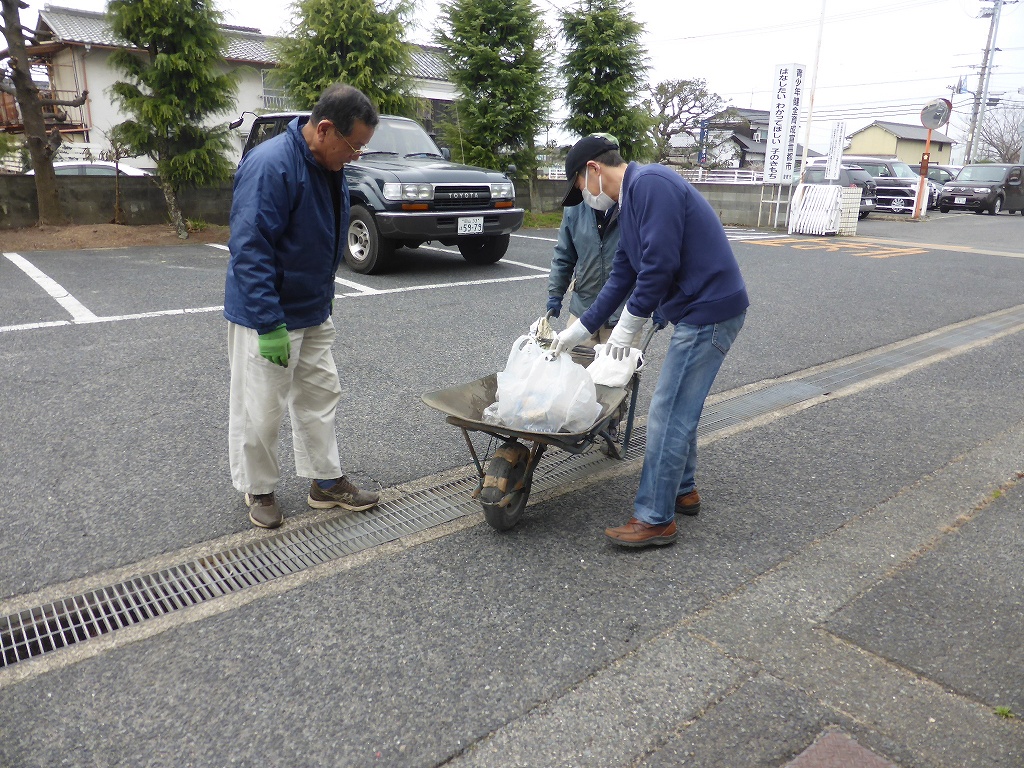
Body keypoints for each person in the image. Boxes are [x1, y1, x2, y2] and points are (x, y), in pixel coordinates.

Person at [552, 135, 749, 548]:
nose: (584, 196)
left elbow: (659, 266)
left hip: (709, 310)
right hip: (701, 308)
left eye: (580, 186)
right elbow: (623, 273)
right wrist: (580, 329)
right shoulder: (631, 202)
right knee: (680, 403)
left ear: (593, 170)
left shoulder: (651, 185)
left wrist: (626, 328)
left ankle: (656, 519)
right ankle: (683, 490)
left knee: (668, 411)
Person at [224, 83, 381, 529]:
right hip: (268, 316)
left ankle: (325, 481)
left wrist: (323, 301)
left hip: (312, 309)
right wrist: (269, 322)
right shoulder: (271, 165)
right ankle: (258, 488)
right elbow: (250, 248)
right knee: (260, 407)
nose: (356, 156)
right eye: (354, 145)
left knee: (320, 395)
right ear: (325, 129)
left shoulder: (330, 164)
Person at [547, 133, 626, 346]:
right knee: (571, 362)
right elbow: (564, 254)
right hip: (583, 308)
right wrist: (555, 293)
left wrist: (659, 304)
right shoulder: (576, 206)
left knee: (616, 367)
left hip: (621, 315)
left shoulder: (631, 205)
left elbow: (651, 259)